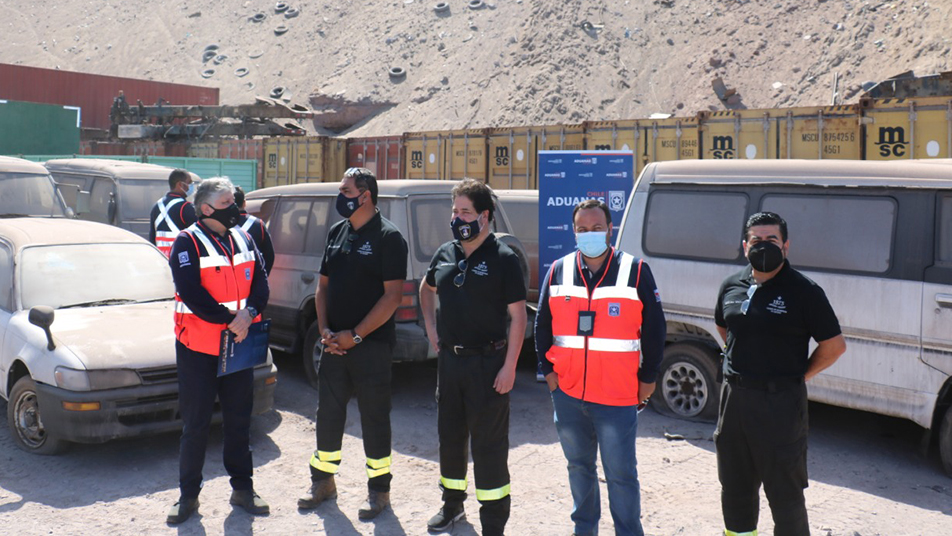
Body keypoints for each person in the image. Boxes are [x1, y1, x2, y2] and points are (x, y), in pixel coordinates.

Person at [535, 199, 665, 536]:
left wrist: (648, 379)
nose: (589, 234)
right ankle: (585, 530)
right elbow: (542, 326)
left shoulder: (635, 271)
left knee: (621, 474)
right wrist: (550, 377)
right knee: (579, 468)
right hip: (568, 394)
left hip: (617, 397)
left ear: (610, 229)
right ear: (573, 231)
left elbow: (655, 330)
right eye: (582, 229)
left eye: (596, 228)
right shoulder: (559, 269)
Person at [714, 211, 846, 536]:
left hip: (780, 405)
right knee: (735, 491)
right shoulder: (732, 285)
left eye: (771, 239)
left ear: (785, 245)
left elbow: (834, 345)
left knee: (785, 498)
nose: (763, 245)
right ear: (745, 246)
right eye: (756, 240)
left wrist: (800, 376)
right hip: (734, 402)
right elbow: (724, 325)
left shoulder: (804, 291)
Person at [297, 167, 408, 520]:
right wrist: (326, 329)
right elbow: (323, 286)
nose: (340, 196)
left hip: (370, 346)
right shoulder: (337, 232)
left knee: (375, 418)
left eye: (345, 190)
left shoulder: (390, 238)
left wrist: (356, 335)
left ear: (365, 195)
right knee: (328, 415)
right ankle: (323, 482)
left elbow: (392, 298)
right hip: (334, 345)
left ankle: (379, 492)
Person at [419, 178, 528, 536]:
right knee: (450, 439)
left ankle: (493, 523)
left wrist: (510, 366)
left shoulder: (504, 258)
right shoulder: (446, 252)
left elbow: (518, 316)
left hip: (488, 365)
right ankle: (451, 507)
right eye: (454, 210)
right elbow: (426, 287)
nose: (457, 217)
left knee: (489, 446)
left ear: (485, 216)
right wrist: (432, 330)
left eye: (465, 211)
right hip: (451, 364)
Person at [166, 177, 270, 524]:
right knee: (195, 425)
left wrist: (249, 314)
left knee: (239, 421)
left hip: (236, 346)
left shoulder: (242, 236)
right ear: (207, 208)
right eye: (228, 203)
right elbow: (191, 294)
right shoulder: (187, 242)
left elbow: (261, 282)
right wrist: (232, 320)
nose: (237, 209)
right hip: (198, 348)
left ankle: (243, 488)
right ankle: (188, 497)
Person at [150, 168, 197, 257]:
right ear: (180, 184)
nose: (191, 186)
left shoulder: (157, 206)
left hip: (162, 258)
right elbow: (196, 237)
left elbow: (152, 237)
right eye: (189, 182)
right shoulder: (186, 207)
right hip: (181, 259)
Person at [234, 186, 275, 275]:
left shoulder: (220, 225)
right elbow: (269, 255)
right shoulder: (258, 224)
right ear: (244, 203)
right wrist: (262, 278)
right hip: (251, 277)